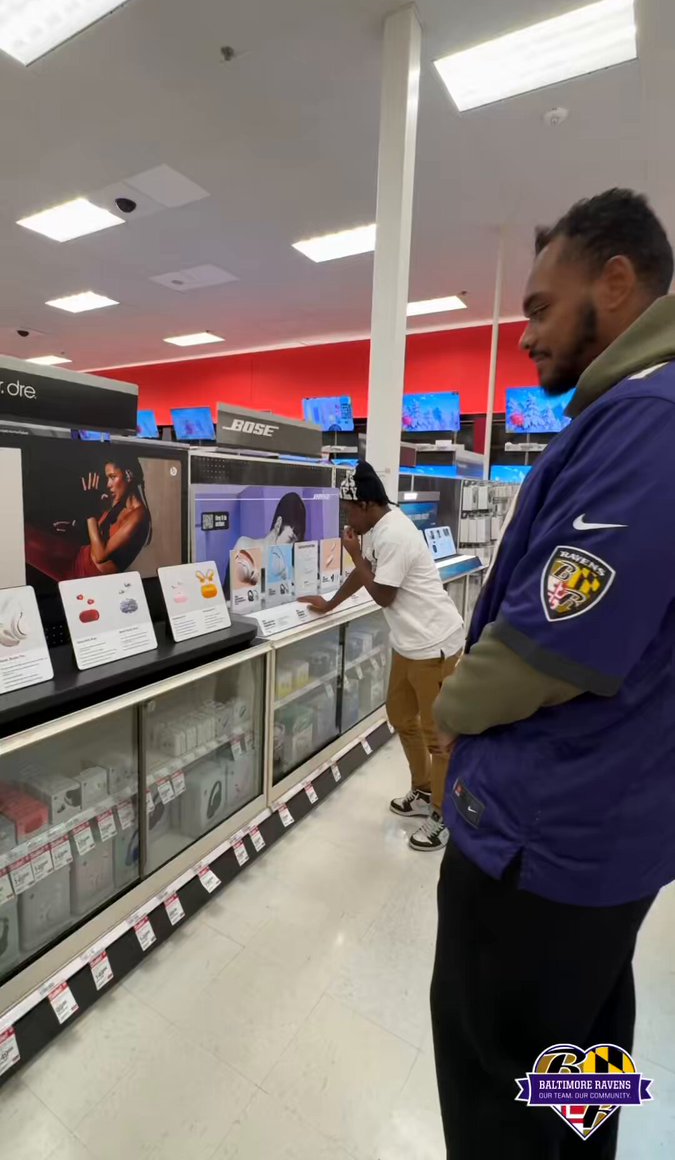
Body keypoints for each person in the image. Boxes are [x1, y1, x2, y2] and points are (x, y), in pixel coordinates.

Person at [430, 189, 675, 1158]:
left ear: (616, 283)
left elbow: (554, 642)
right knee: (574, 1085)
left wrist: (448, 716)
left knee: (506, 1097)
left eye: (538, 305)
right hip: (597, 847)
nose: (524, 334)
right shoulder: (632, 413)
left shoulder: (647, 424)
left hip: (543, 851)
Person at [300, 461, 464, 851]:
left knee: (437, 736)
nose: (347, 517)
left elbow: (384, 595)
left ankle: (443, 815)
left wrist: (354, 554)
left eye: (350, 510)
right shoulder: (376, 528)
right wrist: (330, 602)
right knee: (401, 716)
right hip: (408, 644)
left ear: (369, 504)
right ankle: (424, 791)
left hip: (435, 645)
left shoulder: (395, 536)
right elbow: (367, 572)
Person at [25, 455, 152, 581]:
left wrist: (90, 513)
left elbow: (100, 556)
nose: (108, 484)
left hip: (84, 574)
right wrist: (77, 527)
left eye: (113, 477)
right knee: (26, 535)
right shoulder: (117, 504)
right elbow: (97, 534)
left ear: (129, 475)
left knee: (24, 543)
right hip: (80, 554)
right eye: (107, 478)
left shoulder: (138, 516)